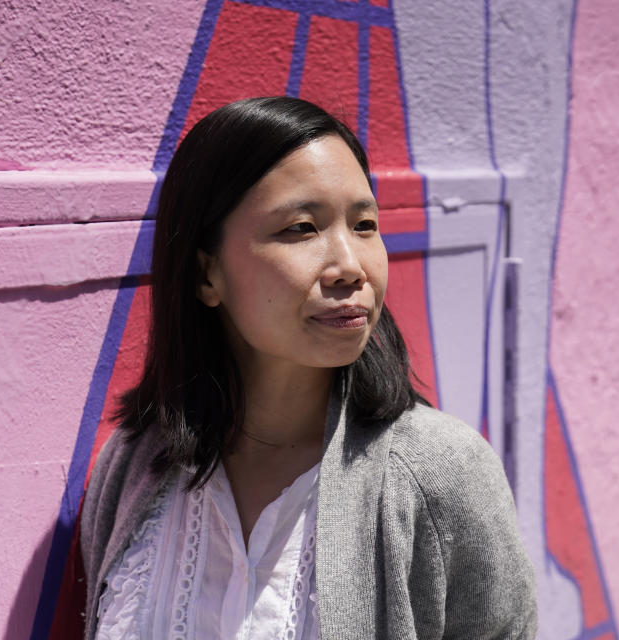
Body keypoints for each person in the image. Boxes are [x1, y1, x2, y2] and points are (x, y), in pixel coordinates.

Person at [79, 97, 537, 639]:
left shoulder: (441, 473)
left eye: (365, 225)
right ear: (207, 275)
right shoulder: (133, 467)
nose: (350, 265)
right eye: (301, 228)